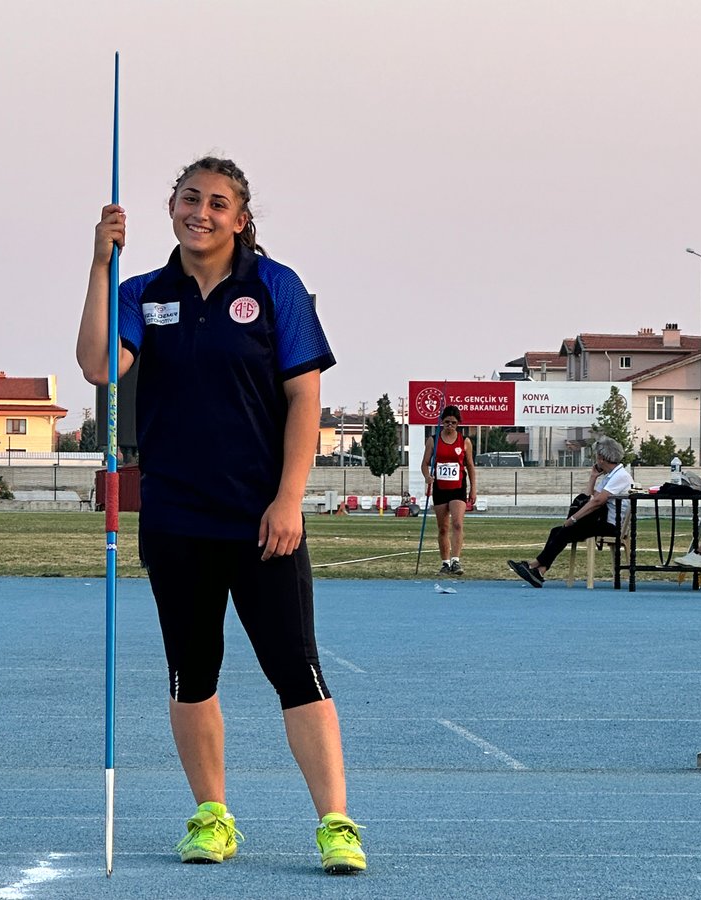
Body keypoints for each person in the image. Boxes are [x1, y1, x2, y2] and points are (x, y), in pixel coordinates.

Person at [75, 157, 365, 874]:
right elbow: (99, 368)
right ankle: (212, 817)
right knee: (192, 674)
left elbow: (305, 398)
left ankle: (336, 825)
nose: (199, 212)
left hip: (262, 520)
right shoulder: (142, 292)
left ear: (240, 218)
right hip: (175, 520)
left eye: (216, 202)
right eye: (188, 198)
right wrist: (100, 264)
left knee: (296, 670)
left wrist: (289, 498)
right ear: (171, 206)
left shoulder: (275, 287)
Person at [506, 436, 632, 587]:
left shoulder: (620, 476)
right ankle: (539, 571)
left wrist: (573, 519)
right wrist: (592, 477)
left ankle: (533, 565)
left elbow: (597, 502)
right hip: (602, 521)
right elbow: (589, 497)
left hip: (612, 526)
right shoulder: (610, 477)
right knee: (557, 531)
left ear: (601, 458)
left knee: (565, 531)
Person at [420, 405, 476, 576]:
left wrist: (473, 489)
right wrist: (427, 476)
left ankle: (456, 561)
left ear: (458, 423)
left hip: (458, 487)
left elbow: (470, 466)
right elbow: (425, 464)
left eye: (453, 422)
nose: (449, 425)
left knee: (457, 524)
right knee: (443, 528)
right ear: (441, 422)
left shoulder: (464, 441)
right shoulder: (433, 440)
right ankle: (445, 563)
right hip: (440, 487)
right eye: (446, 422)